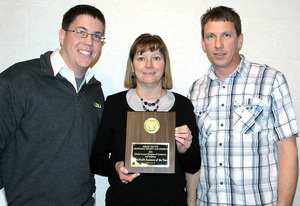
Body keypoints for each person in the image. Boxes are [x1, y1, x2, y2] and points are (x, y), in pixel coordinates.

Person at [188, 6, 299, 206]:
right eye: (211, 36)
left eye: (226, 35)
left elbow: (287, 151)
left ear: (240, 40)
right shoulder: (196, 90)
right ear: (203, 44)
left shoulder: (270, 81)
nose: (218, 44)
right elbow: (195, 156)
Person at [0, 4, 106, 205]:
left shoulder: (95, 92)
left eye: (96, 36)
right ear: (62, 35)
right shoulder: (18, 79)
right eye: (81, 32)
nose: (89, 42)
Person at [90, 33, 201, 206]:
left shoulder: (183, 106)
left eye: (156, 57)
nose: (149, 65)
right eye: (141, 58)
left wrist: (184, 150)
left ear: (165, 65)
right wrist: (116, 166)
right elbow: (96, 159)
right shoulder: (114, 105)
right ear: (132, 67)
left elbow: (193, 166)